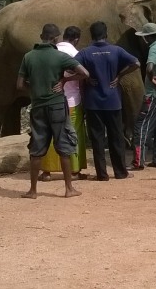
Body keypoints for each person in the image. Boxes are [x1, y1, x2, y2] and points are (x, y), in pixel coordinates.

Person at [18, 23, 89, 199]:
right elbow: (85, 73)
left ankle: (33, 191)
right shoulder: (60, 57)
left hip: (38, 107)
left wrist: (34, 91)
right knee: (63, 146)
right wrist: (65, 81)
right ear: (56, 38)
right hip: (57, 105)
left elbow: (19, 85)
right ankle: (68, 189)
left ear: (41, 36)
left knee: (37, 149)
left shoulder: (28, 57)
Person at [75, 21, 140, 181]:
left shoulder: (85, 53)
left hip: (93, 102)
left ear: (91, 36)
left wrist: (86, 76)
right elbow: (136, 63)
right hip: (113, 101)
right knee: (116, 137)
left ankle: (102, 174)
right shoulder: (116, 50)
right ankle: (120, 172)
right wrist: (119, 76)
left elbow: (71, 66)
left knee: (97, 138)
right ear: (106, 34)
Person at [39, 26, 88, 182]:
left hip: (50, 100)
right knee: (73, 135)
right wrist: (66, 80)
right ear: (76, 39)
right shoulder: (75, 54)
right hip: (72, 100)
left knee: (50, 135)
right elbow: (84, 75)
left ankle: (46, 171)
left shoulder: (50, 52)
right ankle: (74, 170)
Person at [132, 22, 156, 170]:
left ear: (146, 37)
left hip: (153, 94)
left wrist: (152, 77)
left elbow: (149, 66)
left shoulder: (154, 48)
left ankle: (138, 161)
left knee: (142, 126)